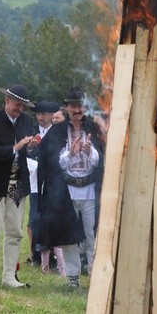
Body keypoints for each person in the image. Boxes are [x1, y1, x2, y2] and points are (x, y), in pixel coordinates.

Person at [37, 87, 105, 289]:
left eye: (81, 106)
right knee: (68, 236)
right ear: (67, 108)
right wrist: (71, 155)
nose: (77, 110)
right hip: (65, 193)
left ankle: (95, 275)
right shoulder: (56, 132)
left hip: (90, 191)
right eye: (74, 106)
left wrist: (89, 151)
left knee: (93, 234)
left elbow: (100, 161)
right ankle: (73, 277)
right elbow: (51, 163)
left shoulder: (93, 128)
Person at [0, 84, 36, 288]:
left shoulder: (28, 121)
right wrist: (15, 148)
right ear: (7, 101)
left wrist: (31, 147)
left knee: (15, 232)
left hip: (18, 185)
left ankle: (10, 277)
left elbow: (31, 152)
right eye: (17, 105)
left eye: (22, 106)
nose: (19, 109)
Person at [26, 101, 65, 276]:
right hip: (35, 182)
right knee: (35, 219)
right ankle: (35, 256)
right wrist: (29, 149)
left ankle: (56, 259)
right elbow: (23, 156)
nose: (41, 117)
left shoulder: (59, 132)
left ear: (51, 115)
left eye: (44, 114)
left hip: (55, 183)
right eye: (38, 114)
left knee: (56, 219)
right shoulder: (31, 132)